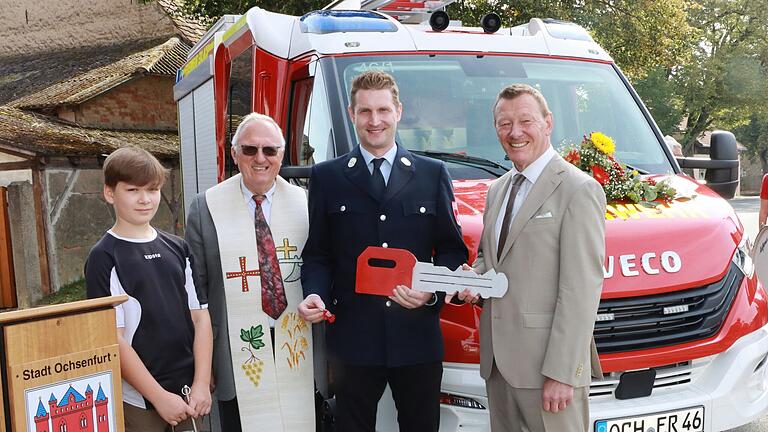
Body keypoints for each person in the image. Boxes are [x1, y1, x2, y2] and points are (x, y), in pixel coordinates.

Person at [297, 70, 468, 431]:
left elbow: (452, 252)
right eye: (365, 111)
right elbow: (318, 254)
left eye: (383, 110)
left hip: (417, 337)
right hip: (354, 340)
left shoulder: (431, 174)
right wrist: (313, 293)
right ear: (351, 113)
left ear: (398, 112)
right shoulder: (327, 177)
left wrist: (431, 290)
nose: (374, 121)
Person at [460, 84, 605, 431]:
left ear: (548, 123)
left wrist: (562, 373)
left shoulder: (578, 189)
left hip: (547, 371)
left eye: (526, 121)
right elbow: (491, 259)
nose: (515, 132)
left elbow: (581, 290)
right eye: (504, 123)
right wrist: (471, 278)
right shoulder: (498, 189)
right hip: (499, 366)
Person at [185, 113, 315, 431]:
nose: (260, 159)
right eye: (249, 149)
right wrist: (204, 365)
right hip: (235, 348)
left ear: (281, 156)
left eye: (270, 150)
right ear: (234, 154)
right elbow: (196, 291)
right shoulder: (206, 208)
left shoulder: (306, 204)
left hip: (296, 341)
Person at [85, 147, 213, 431]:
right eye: (132, 190)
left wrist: (202, 383)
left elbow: (200, 317)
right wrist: (158, 397)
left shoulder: (178, 247)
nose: (145, 199)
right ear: (110, 193)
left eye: (152, 189)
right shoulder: (104, 256)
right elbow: (112, 339)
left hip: (188, 394)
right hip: (139, 400)